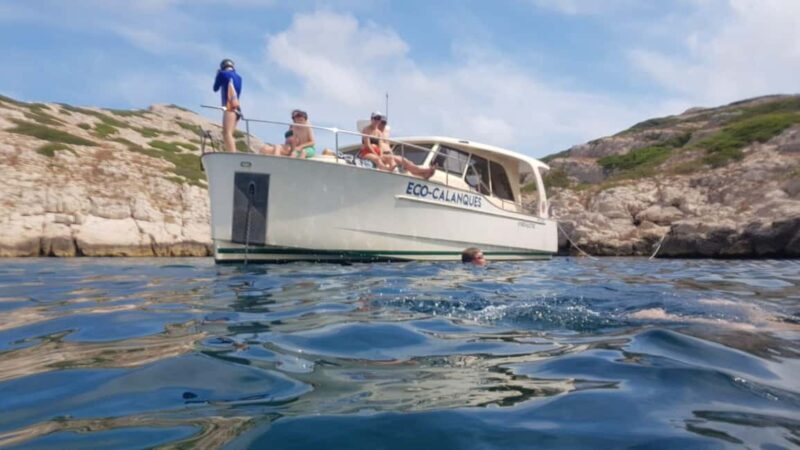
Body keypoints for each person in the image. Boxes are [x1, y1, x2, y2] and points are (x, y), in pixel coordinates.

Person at [359, 112, 436, 179]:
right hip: (373, 154)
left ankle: (423, 172)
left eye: (383, 123)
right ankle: (422, 173)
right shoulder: (368, 131)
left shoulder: (382, 135)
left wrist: (382, 153)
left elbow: (383, 148)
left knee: (405, 161)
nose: (381, 124)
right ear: (372, 120)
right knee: (390, 159)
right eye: (381, 122)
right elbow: (367, 144)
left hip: (385, 155)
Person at [213, 58, 242, 152]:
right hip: (237, 107)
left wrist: (217, 75)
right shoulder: (239, 77)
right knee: (230, 134)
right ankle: (231, 153)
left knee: (227, 133)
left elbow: (215, 88)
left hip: (229, 107)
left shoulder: (222, 74)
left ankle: (233, 155)